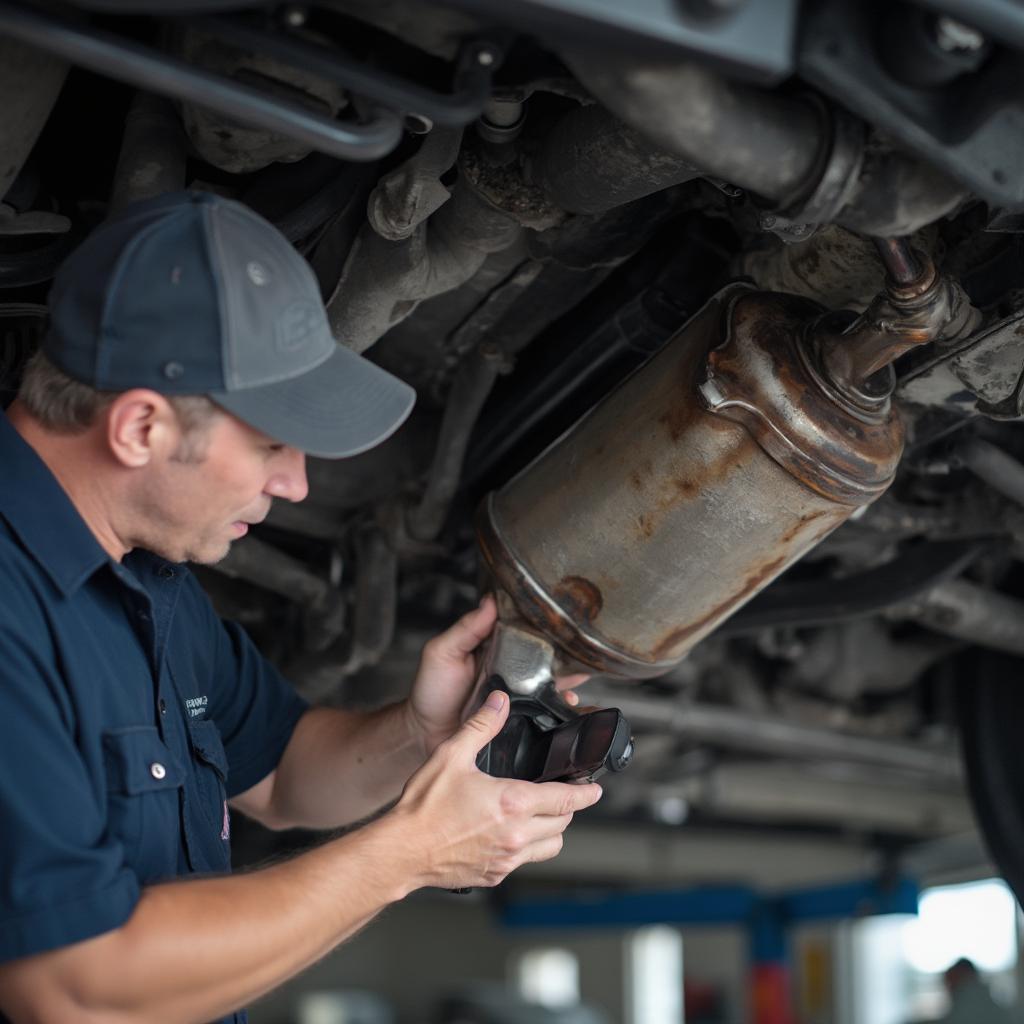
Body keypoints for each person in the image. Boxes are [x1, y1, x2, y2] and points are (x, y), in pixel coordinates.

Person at [0, 192, 602, 1024]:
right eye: (272, 445)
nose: (297, 485)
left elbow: (280, 774)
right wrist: (410, 853)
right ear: (140, 428)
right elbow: (70, 986)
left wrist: (420, 732)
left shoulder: (149, 579)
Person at [936, 958, 1015, 1024]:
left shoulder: (972, 999)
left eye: (949, 982)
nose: (948, 988)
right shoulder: (980, 995)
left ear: (964, 975)